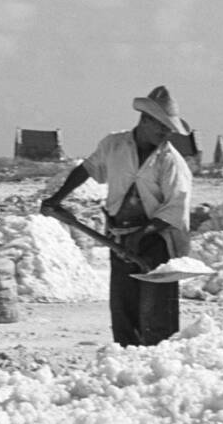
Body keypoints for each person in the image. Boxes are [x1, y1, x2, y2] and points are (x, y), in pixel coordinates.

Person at [41, 86, 194, 347]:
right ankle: (125, 357)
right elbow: (88, 169)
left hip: (157, 243)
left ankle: (158, 362)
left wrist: (142, 234)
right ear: (145, 120)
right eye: (161, 127)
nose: (166, 134)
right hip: (120, 237)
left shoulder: (171, 161)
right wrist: (57, 199)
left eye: (169, 129)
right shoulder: (114, 145)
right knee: (123, 307)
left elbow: (175, 208)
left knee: (156, 311)